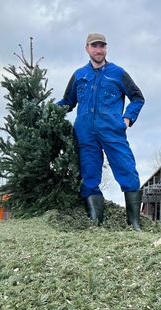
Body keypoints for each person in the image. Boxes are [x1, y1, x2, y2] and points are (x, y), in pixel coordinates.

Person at [58, 33, 144, 231]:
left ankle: (134, 223)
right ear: (87, 48)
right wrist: (49, 111)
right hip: (85, 133)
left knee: (127, 170)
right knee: (89, 176)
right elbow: (68, 102)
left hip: (113, 131)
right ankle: (96, 222)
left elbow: (138, 97)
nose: (99, 50)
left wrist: (127, 118)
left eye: (102, 46)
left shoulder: (118, 73)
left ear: (106, 49)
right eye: (94, 46)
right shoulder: (79, 75)